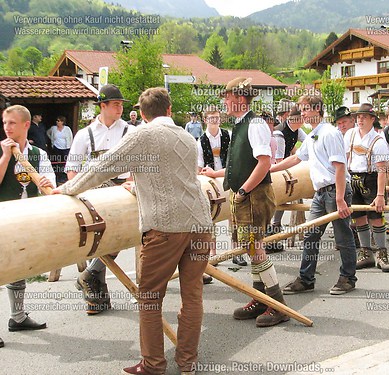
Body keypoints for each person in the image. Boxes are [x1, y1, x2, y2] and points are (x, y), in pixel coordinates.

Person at [54, 87, 213, 375]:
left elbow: (102, 167)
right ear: (169, 109)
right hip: (201, 225)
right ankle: (187, 362)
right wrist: (139, 184)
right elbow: (176, 177)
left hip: (166, 227)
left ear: (141, 114)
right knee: (193, 296)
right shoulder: (188, 137)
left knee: (150, 297)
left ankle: (153, 365)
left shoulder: (142, 134)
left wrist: (65, 190)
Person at [202, 77, 288, 327]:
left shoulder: (255, 123)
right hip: (245, 196)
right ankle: (259, 298)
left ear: (240, 99)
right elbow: (239, 165)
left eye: (227, 98)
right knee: (251, 248)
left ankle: (276, 303)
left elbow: (264, 163)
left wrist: (242, 191)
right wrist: (216, 174)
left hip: (253, 197)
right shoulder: (241, 124)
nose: (225, 103)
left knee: (255, 247)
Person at [271, 95, 357, 295]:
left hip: (335, 191)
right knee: (310, 236)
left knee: (343, 237)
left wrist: (340, 198)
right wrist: (271, 170)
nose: (302, 114)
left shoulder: (329, 133)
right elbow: (295, 159)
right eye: (301, 109)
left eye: (305, 109)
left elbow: (340, 167)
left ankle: (348, 278)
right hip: (320, 194)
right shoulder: (313, 135)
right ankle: (306, 279)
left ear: (317, 109)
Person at [65, 84, 137, 315]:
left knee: (119, 236)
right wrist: (78, 194)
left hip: (122, 189)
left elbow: (139, 162)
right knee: (101, 237)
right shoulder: (84, 134)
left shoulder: (130, 131)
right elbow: (73, 168)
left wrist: (133, 181)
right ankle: (96, 296)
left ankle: (90, 275)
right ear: (102, 106)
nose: (120, 108)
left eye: (121, 104)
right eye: (115, 104)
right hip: (95, 192)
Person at [1, 105, 54, 348]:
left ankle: (18, 317)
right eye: (4, 122)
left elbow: (50, 187)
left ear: (25, 125)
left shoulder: (38, 154)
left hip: (27, 218)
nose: (6, 127)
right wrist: (5, 157)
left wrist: (45, 183)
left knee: (19, 267)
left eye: (12, 123)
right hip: (3, 217)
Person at [344, 103, 389, 272]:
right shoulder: (350, 134)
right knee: (358, 217)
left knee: (376, 217)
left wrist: (380, 195)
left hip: (371, 179)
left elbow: (382, 170)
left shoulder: (378, 140)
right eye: (358, 117)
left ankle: (381, 254)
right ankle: (366, 254)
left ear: (373, 119)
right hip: (353, 178)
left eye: (364, 117)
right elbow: (344, 158)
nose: (360, 120)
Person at [197, 106, 247, 269]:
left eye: (217, 118)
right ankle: (214, 254)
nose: (215, 121)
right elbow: (199, 167)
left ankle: (235, 251)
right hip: (209, 181)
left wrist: (219, 173)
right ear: (205, 120)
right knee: (211, 217)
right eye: (212, 118)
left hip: (226, 176)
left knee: (233, 215)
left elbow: (235, 159)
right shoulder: (200, 141)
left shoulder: (228, 135)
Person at [266, 105, 307, 253]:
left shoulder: (297, 129)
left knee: (287, 196)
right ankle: (273, 227)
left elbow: (308, 142)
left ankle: (276, 225)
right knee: (280, 196)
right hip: (274, 168)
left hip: (283, 165)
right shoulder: (279, 133)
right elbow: (278, 160)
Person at [46, 115, 73, 185]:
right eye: (57, 121)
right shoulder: (53, 128)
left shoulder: (67, 129)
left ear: (62, 122)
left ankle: (65, 177)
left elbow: (71, 137)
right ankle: (58, 176)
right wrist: (52, 139)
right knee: (57, 163)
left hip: (65, 148)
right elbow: (48, 133)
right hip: (56, 148)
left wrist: (70, 146)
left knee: (65, 163)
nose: (57, 122)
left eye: (59, 121)